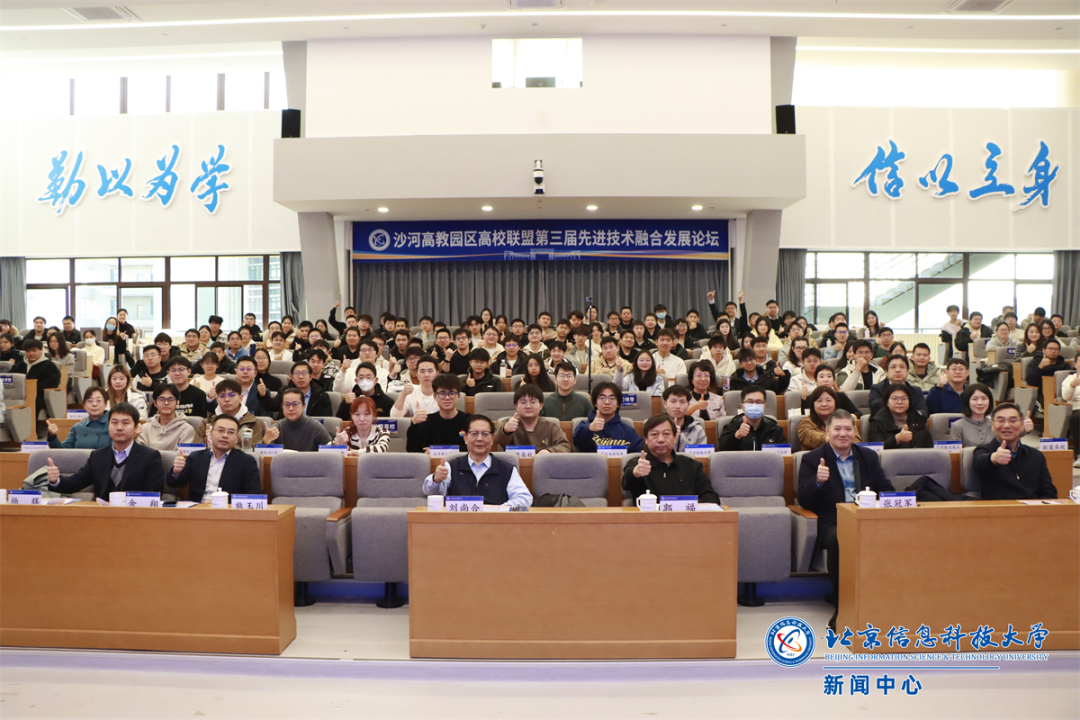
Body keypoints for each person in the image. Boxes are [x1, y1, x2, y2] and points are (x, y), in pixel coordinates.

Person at [797, 409, 893, 629]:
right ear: (826, 431)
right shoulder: (812, 459)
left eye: (848, 429)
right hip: (833, 520)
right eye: (837, 429)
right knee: (839, 540)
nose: (843, 434)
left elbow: (885, 489)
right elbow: (803, 499)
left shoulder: (867, 457)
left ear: (855, 431)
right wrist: (817, 482)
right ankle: (843, 605)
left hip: (867, 518)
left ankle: (884, 600)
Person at [44, 402, 165, 499]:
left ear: (136, 427)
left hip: (135, 515)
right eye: (114, 422)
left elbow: (154, 495)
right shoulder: (97, 456)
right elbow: (74, 483)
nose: (119, 428)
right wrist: (56, 480)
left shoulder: (150, 457)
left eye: (125, 423)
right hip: (102, 515)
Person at [423, 415, 532, 508]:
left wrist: (500, 509)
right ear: (465, 438)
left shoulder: (507, 469)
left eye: (485, 434)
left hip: (494, 522)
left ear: (492, 438)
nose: (479, 438)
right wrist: (436, 479)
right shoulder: (451, 466)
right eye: (474, 433)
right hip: (459, 522)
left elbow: (525, 498)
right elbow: (430, 492)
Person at [623, 414, 719, 504]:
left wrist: (684, 506)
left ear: (674, 438)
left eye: (666, 434)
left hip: (684, 515)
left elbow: (711, 497)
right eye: (655, 434)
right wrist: (635, 473)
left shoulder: (692, 466)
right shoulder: (637, 464)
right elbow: (626, 484)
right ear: (646, 439)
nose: (661, 439)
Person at [168, 414, 262, 502]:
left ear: (237, 438)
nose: (225, 435)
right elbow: (175, 483)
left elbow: (253, 493)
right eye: (220, 430)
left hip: (228, 510)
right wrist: (176, 472)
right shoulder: (195, 457)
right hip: (198, 508)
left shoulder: (247, 461)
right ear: (211, 433)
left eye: (231, 432)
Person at [972, 403, 1056, 500]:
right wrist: (994, 458)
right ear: (992, 425)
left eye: (1013, 420)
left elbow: (1048, 492)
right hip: (999, 508)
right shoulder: (983, 450)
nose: (1007, 425)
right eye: (1001, 421)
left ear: (1022, 425)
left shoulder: (1036, 455)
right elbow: (979, 462)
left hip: (1032, 508)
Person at [494, 384, 571, 453]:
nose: (528, 406)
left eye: (533, 402)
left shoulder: (551, 426)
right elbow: (497, 439)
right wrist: (506, 430)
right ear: (516, 406)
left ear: (540, 406)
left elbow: (565, 446)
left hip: (543, 463)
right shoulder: (508, 423)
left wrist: (549, 451)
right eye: (523, 402)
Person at [405, 374, 469, 453]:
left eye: (451, 393)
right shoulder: (426, 422)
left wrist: (437, 450)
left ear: (458, 396)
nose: (447, 398)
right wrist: (414, 425)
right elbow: (412, 450)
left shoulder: (469, 421)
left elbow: (474, 448)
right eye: (442, 393)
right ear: (435, 396)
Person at [572, 382, 643, 453]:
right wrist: (589, 429)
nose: (607, 402)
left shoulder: (628, 431)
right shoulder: (585, 426)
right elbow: (578, 443)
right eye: (602, 398)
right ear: (595, 403)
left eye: (612, 398)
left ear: (618, 404)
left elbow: (636, 454)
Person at [193, 378, 265, 446]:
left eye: (231, 395)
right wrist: (207, 441)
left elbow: (253, 451)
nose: (227, 399)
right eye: (222, 396)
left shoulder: (252, 423)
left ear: (240, 398)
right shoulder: (207, 423)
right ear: (217, 400)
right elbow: (195, 448)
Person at [716, 385, 786, 451]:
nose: (754, 405)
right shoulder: (731, 427)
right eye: (750, 401)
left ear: (764, 406)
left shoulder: (774, 428)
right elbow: (721, 450)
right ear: (742, 406)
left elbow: (784, 453)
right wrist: (736, 436)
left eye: (759, 402)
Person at [262, 388, 333, 451]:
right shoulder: (277, 427)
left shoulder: (315, 426)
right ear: (282, 406)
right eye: (287, 404)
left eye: (295, 404)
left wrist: (336, 444)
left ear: (303, 406)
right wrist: (265, 441)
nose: (291, 408)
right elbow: (263, 456)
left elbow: (329, 449)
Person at [798, 386, 862, 451]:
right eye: (819, 401)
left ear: (835, 402)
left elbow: (857, 441)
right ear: (813, 404)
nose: (824, 404)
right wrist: (832, 439)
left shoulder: (846, 420)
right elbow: (811, 437)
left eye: (828, 400)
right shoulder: (805, 423)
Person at [868, 383, 932, 449]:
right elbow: (876, 448)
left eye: (904, 398)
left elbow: (930, 448)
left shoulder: (918, 419)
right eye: (895, 398)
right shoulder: (877, 422)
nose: (900, 402)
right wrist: (897, 439)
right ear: (887, 402)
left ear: (909, 402)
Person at [137, 384, 196, 452]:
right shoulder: (145, 428)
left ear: (177, 403)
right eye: (162, 399)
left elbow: (182, 455)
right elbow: (140, 454)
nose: (166, 403)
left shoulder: (186, 429)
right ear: (155, 403)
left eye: (171, 399)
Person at [46, 387, 111, 449]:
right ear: (84, 405)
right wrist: (52, 436)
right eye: (90, 401)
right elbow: (63, 451)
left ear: (105, 404)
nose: (94, 404)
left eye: (98, 400)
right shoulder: (78, 428)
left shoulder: (112, 425)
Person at [265, 361, 333, 417]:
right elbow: (271, 406)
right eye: (297, 373)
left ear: (311, 376)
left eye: (304, 373)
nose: (300, 377)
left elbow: (326, 420)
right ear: (292, 377)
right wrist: (263, 395)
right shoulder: (284, 392)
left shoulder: (321, 396)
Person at [15, 338, 61, 417]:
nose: (31, 353)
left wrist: (31, 389)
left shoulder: (49, 365)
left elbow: (52, 383)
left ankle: (30, 425)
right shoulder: (20, 365)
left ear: (41, 350)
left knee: (33, 401)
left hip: (40, 396)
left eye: (34, 351)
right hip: (19, 395)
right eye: (28, 351)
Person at [950, 383, 1002, 448]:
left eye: (984, 399)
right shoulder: (957, 426)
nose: (980, 403)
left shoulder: (995, 424)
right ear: (967, 402)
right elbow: (956, 453)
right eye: (975, 399)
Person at [662, 385, 708, 451]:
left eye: (682, 402)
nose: (677, 406)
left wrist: (680, 436)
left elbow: (701, 455)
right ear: (665, 404)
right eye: (673, 401)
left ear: (688, 405)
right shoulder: (656, 428)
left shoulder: (697, 430)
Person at [1025, 338, 1068, 404]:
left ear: (1059, 352)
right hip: (1040, 392)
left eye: (1056, 349)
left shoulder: (1064, 365)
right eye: (1050, 349)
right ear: (1044, 350)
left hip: (1061, 392)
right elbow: (1030, 381)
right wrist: (1040, 367)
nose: (1053, 351)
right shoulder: (1035, 363)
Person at [1060, 356, 1080, 464]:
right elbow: (1066, 397)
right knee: (1077, 418)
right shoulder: (1069, 379)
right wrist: (1072, 386)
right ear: (1075, 364)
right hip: (1077, 408)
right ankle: (1079, 455)